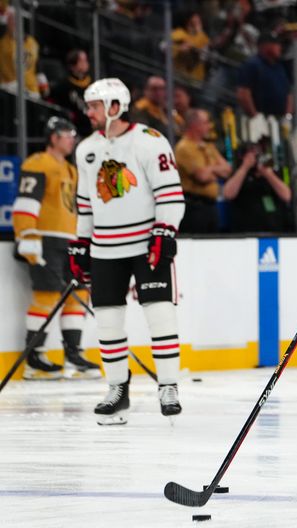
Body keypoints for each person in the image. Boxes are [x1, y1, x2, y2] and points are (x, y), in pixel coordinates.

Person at [68, 78, 186, 425]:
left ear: (115, 107)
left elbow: (170, 193)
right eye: (88, 107)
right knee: (106, 320)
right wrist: (79, 244)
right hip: (105, 247)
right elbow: (85, 204)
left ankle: (168, 387)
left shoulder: (149, 142)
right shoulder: (85, 148)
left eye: (94, 106)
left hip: (146, 244)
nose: (88, 112)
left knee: (160, 313)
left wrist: (165, 232)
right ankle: (117, 390)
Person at [11, 116, 100, 380]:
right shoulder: (39, 163)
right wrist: (27, 235)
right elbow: (26, 202)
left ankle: (73, 353)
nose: (72, 139)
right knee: (48, 297)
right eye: (67, 134)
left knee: (79, 296)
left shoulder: (72, 170)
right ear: (54, 137)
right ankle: (34, 357)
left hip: (71, 241)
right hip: (46, 240)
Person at [174, 108, 231, 233]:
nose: (209, 126)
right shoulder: (184, 148)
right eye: (206, 122)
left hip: (211, 206)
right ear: (195, 125)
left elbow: (227, 169)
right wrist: (215, 171)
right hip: (194, 208)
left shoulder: (208, 146)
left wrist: (210, 169)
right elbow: (202, 177)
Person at [223, 142, 292, 232]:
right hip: (246, 232)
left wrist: (268, 174)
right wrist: (245, 167)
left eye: (258, 154)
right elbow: (228, 194)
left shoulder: (272, 173)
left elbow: (287, 196)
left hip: (274, 230)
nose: (255, 158)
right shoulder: (238, 174)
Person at [49, 49, 93, 137]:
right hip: (72, 132)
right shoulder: (63, 85)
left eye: (86, 60)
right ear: (73, 66)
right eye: (82, 61)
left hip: (91, 128)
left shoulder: (93, 84)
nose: (85, 63)